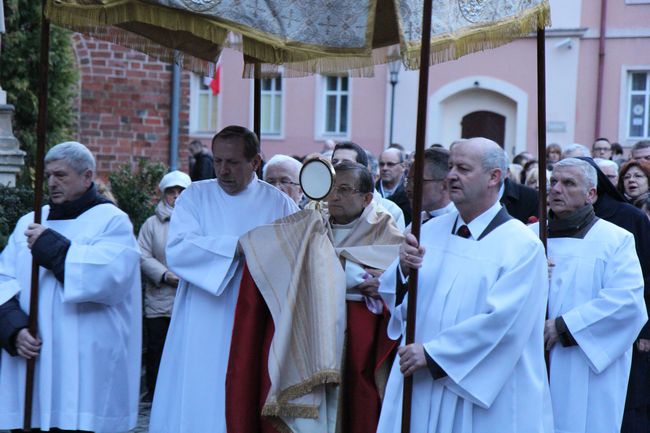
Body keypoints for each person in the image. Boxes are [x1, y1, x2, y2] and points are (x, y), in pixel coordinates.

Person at [376, 137, 551, 433]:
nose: (452, 175)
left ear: (494, 177)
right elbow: (397, 297)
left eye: (463, 168)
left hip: (480, 390)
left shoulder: (521, 246)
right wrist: (404, 271)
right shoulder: (427, 231)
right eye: (451, 166)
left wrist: (434, 354)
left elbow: (504, 323)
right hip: (420, 381)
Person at [149, 126, 298, 433]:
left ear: (255, 162)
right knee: (199, 387)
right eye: (217, 161)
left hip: (257, 313)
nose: (222, 170)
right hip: (203, 311)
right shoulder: (194, 197)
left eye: (232, 162)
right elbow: (178, 249)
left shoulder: (279, 203)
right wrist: (237, 247)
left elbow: (295, 255)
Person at [0, 141, 142, 432]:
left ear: (87, 176)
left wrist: (50, 246)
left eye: (61, 175)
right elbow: (3, 279)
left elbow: (109, 278)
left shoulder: (112, 221)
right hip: (32, 358)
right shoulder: (30, 221)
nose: (52, 182)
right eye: (48, 175)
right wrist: (13, 329)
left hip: (87, 361)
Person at [541, 158, 647, 433]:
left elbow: (627, 302)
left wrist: (564, 327)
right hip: (532, 363)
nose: (556, 189)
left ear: (591, 194)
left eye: (568, 183)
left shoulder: (615, 240)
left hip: (582, 365)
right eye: (553, 182)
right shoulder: (530, 238)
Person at [327, 161, 404, 433]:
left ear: (367, 197)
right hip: (320, 325)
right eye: (331, 187)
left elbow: (396, 274)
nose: (333, 196)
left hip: (364, 328)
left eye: (344, 189)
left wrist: (382, 281)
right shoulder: (313, 224)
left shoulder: (384, 228)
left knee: (361, 396)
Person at [576, 157, 650, 433]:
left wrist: (645, 331)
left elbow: (647, 277)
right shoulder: (551, 222)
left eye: (570, 182)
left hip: (625, 324)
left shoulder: (629, 217)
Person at [137, 170, 191, 402]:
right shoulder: (151, 225)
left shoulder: (196, 221)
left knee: (185, 349)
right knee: (157, 349)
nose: (176, 196)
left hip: (188, 297)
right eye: (172, 191)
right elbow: (141, 255)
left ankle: (181, 393)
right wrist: (165, 275)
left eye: (181, 191)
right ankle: (155, 393)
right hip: (159, 299)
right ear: (164, 194)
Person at [331, 142, 405, 231]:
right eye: (334, 162)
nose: (338, 166)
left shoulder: (391, 212)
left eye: (346, 163)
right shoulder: (320, 209)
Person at [404, 147, 455, 226]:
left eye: (416, 181)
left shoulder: (459, 223)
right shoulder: (418, 221)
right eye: (408, 181)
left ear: (444, 185)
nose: (408, 189)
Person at [377, 148, 412, 225]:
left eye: (390, 164)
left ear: (403, 166)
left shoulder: (409, 194)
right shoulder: (371, 191)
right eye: (381, 164)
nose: (384, 168)